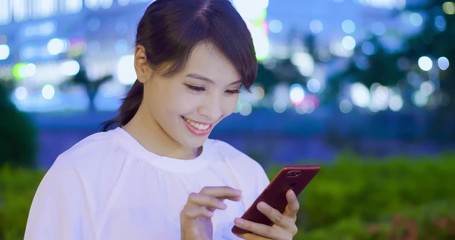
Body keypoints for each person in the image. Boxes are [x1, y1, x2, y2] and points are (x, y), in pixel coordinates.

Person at [24, 0, 300, 239]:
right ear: (142, 64)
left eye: (231, 90)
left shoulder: (245, 175)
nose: (214, 110)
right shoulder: (80, 175)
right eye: (196, 87)